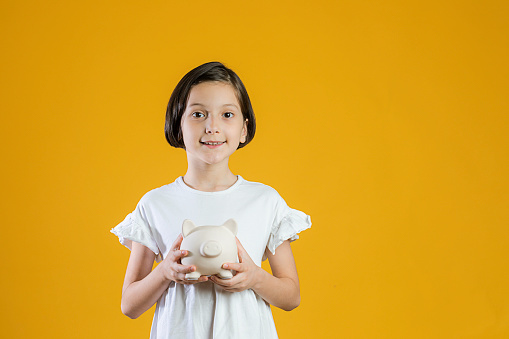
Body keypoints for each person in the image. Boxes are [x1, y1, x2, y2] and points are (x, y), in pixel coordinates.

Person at [111, 61, 311, 338]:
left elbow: (291, 296)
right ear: (178, 125)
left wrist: (255, 277)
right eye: (198, 114)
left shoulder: (265, 200)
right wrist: (165, 272)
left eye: (227, 114)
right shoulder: (155, 204)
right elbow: (130, 305)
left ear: (244, 129)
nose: (212, 126)